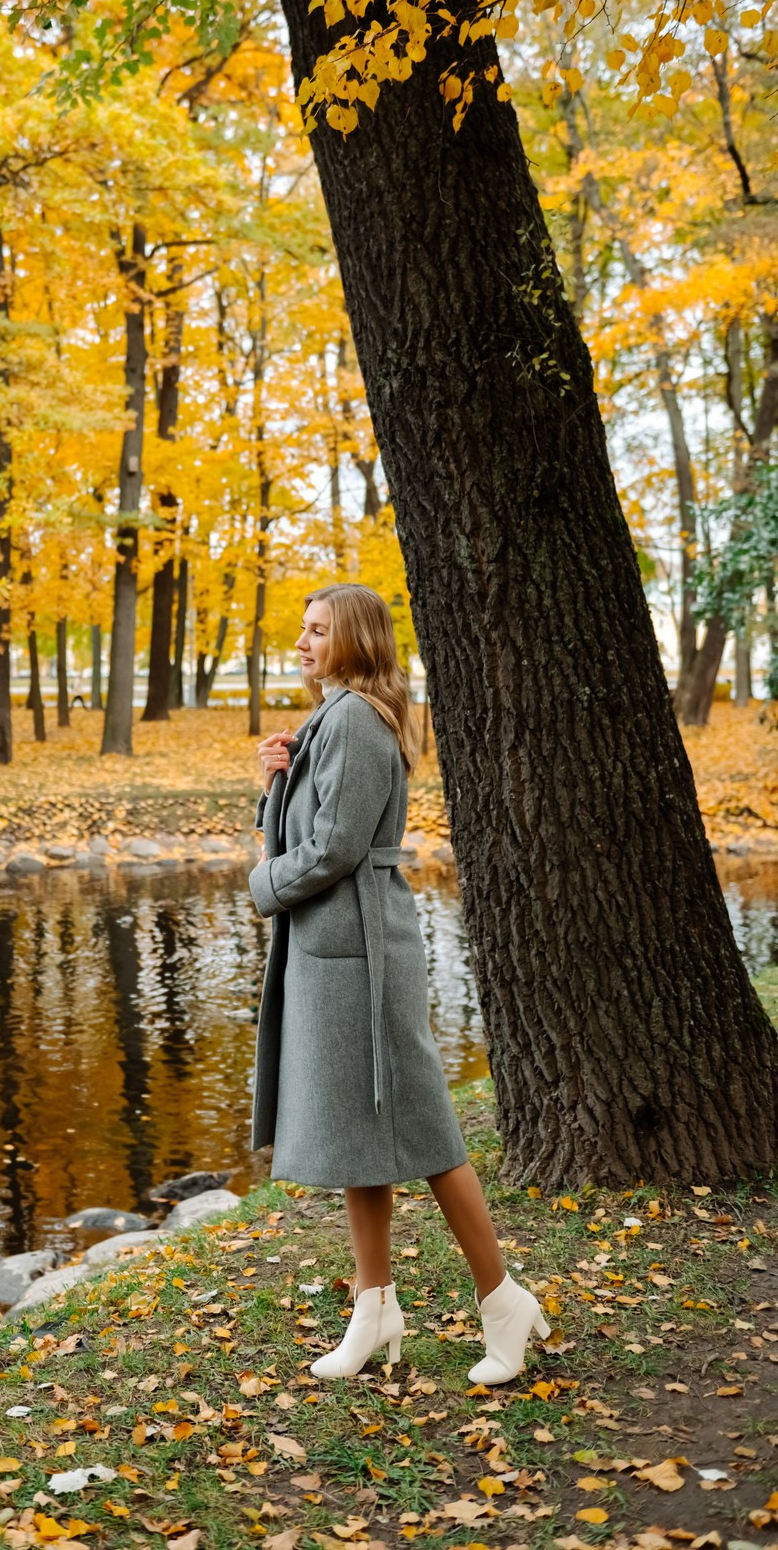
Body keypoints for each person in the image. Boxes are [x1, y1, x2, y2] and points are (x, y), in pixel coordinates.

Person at [250, 583, 548, 1386]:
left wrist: (262, 886)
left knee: (423, 1126)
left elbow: (336, 848)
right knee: (358, 1132)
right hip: (336, 947)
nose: (302, 643)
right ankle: (373, 1309)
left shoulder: (351, 718)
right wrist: (275, 778)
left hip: (361, 952)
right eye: (302, 629)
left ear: (353, 640)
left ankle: (502, 1299)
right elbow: (306, 826)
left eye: (318, 631)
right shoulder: (333, 714)